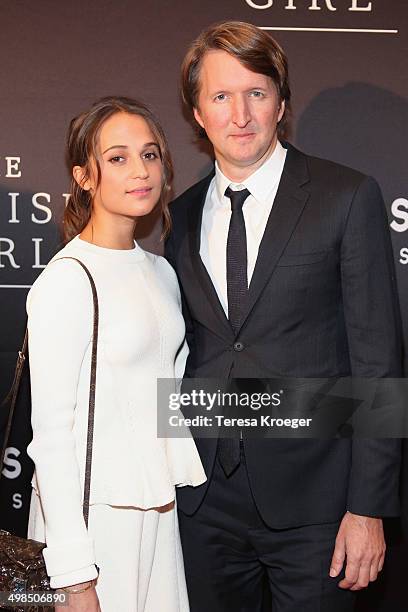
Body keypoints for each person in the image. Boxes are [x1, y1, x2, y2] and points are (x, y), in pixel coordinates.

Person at [165, 21, 402, 612]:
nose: (240, 114)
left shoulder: (345, 196)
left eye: (257, 93)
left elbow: (378, 361)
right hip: (201, 499)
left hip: (319, 507)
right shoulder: (178, 216)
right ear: (198, 114)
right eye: (221, 96)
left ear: (282, 104)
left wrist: (367, 507)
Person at [26, 96, 206, 612]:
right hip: (94, 523)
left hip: (157, 510)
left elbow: (165, 402)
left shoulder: (161, 273)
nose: (141, 171)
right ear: (85, 176)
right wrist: (73, 575)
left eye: (150, 155)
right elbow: (53, 440)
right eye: (118, 158)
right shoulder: (68, 280)